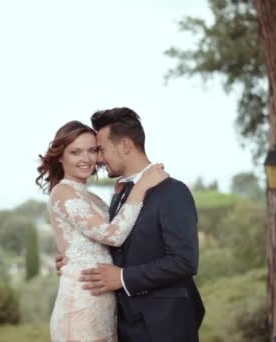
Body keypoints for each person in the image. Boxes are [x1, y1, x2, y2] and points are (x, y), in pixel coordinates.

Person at [56, 108, 205, 341]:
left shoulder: (171, 191)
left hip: (166, 324)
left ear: (124, 146)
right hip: (125, 325)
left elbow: (184, 261)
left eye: (100, 149)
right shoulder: (120, 195)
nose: (98, 159)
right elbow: (114, 242)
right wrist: (73, 259)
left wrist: (124, 278)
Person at [36, 120, 168, 341]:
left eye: (92, 150)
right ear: (60, 156)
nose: (86, 159)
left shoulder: (91, 196)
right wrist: (142, 186)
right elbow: (113, 236)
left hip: (104, 306)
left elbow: (114, 237)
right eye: (76, 152)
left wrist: (120, 197)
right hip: (80, 305)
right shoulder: (62, 192)